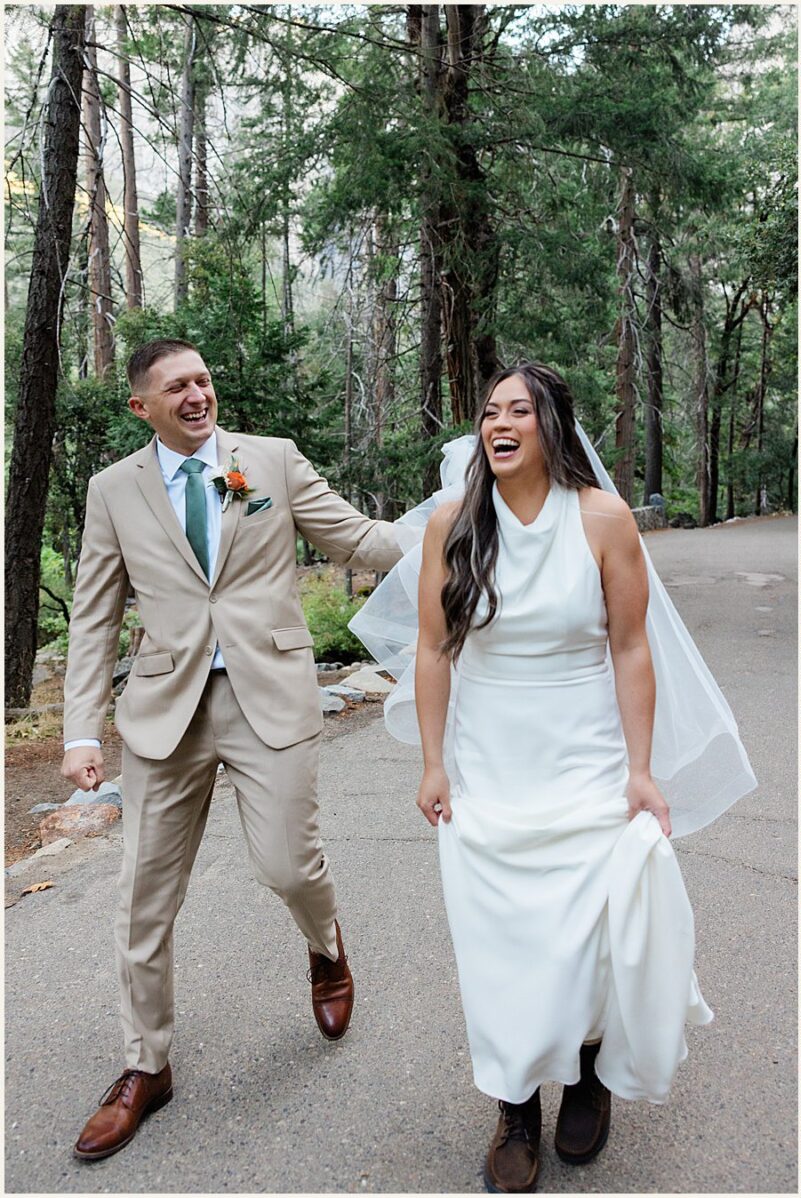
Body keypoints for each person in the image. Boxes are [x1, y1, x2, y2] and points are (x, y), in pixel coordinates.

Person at [383, 363, 747, 1193]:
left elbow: (629, 647)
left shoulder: (604, 519)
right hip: (490, 761)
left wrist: (642, 771)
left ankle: (584, 1073)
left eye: (519, 410)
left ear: (554, 426)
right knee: (499, 939)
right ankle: (514, 1107)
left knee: (587, 930)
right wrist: (433, 760)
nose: (499, 423)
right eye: (488, 413)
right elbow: (434, 649)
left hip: (585, 756)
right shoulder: (453, 523)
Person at [59, 338, 403, 1161]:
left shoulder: (270, 462)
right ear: (141, 406)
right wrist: (80, 729)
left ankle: (326, 951)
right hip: (162, 712)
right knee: (143, 894)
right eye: (176, 387)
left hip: (269, 697)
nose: (197, 395)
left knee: (289, 864)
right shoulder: (113, 490)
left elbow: (357, 541)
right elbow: (95, 613)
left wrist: (466, 526)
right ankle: (147, 1065)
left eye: (204, 379)